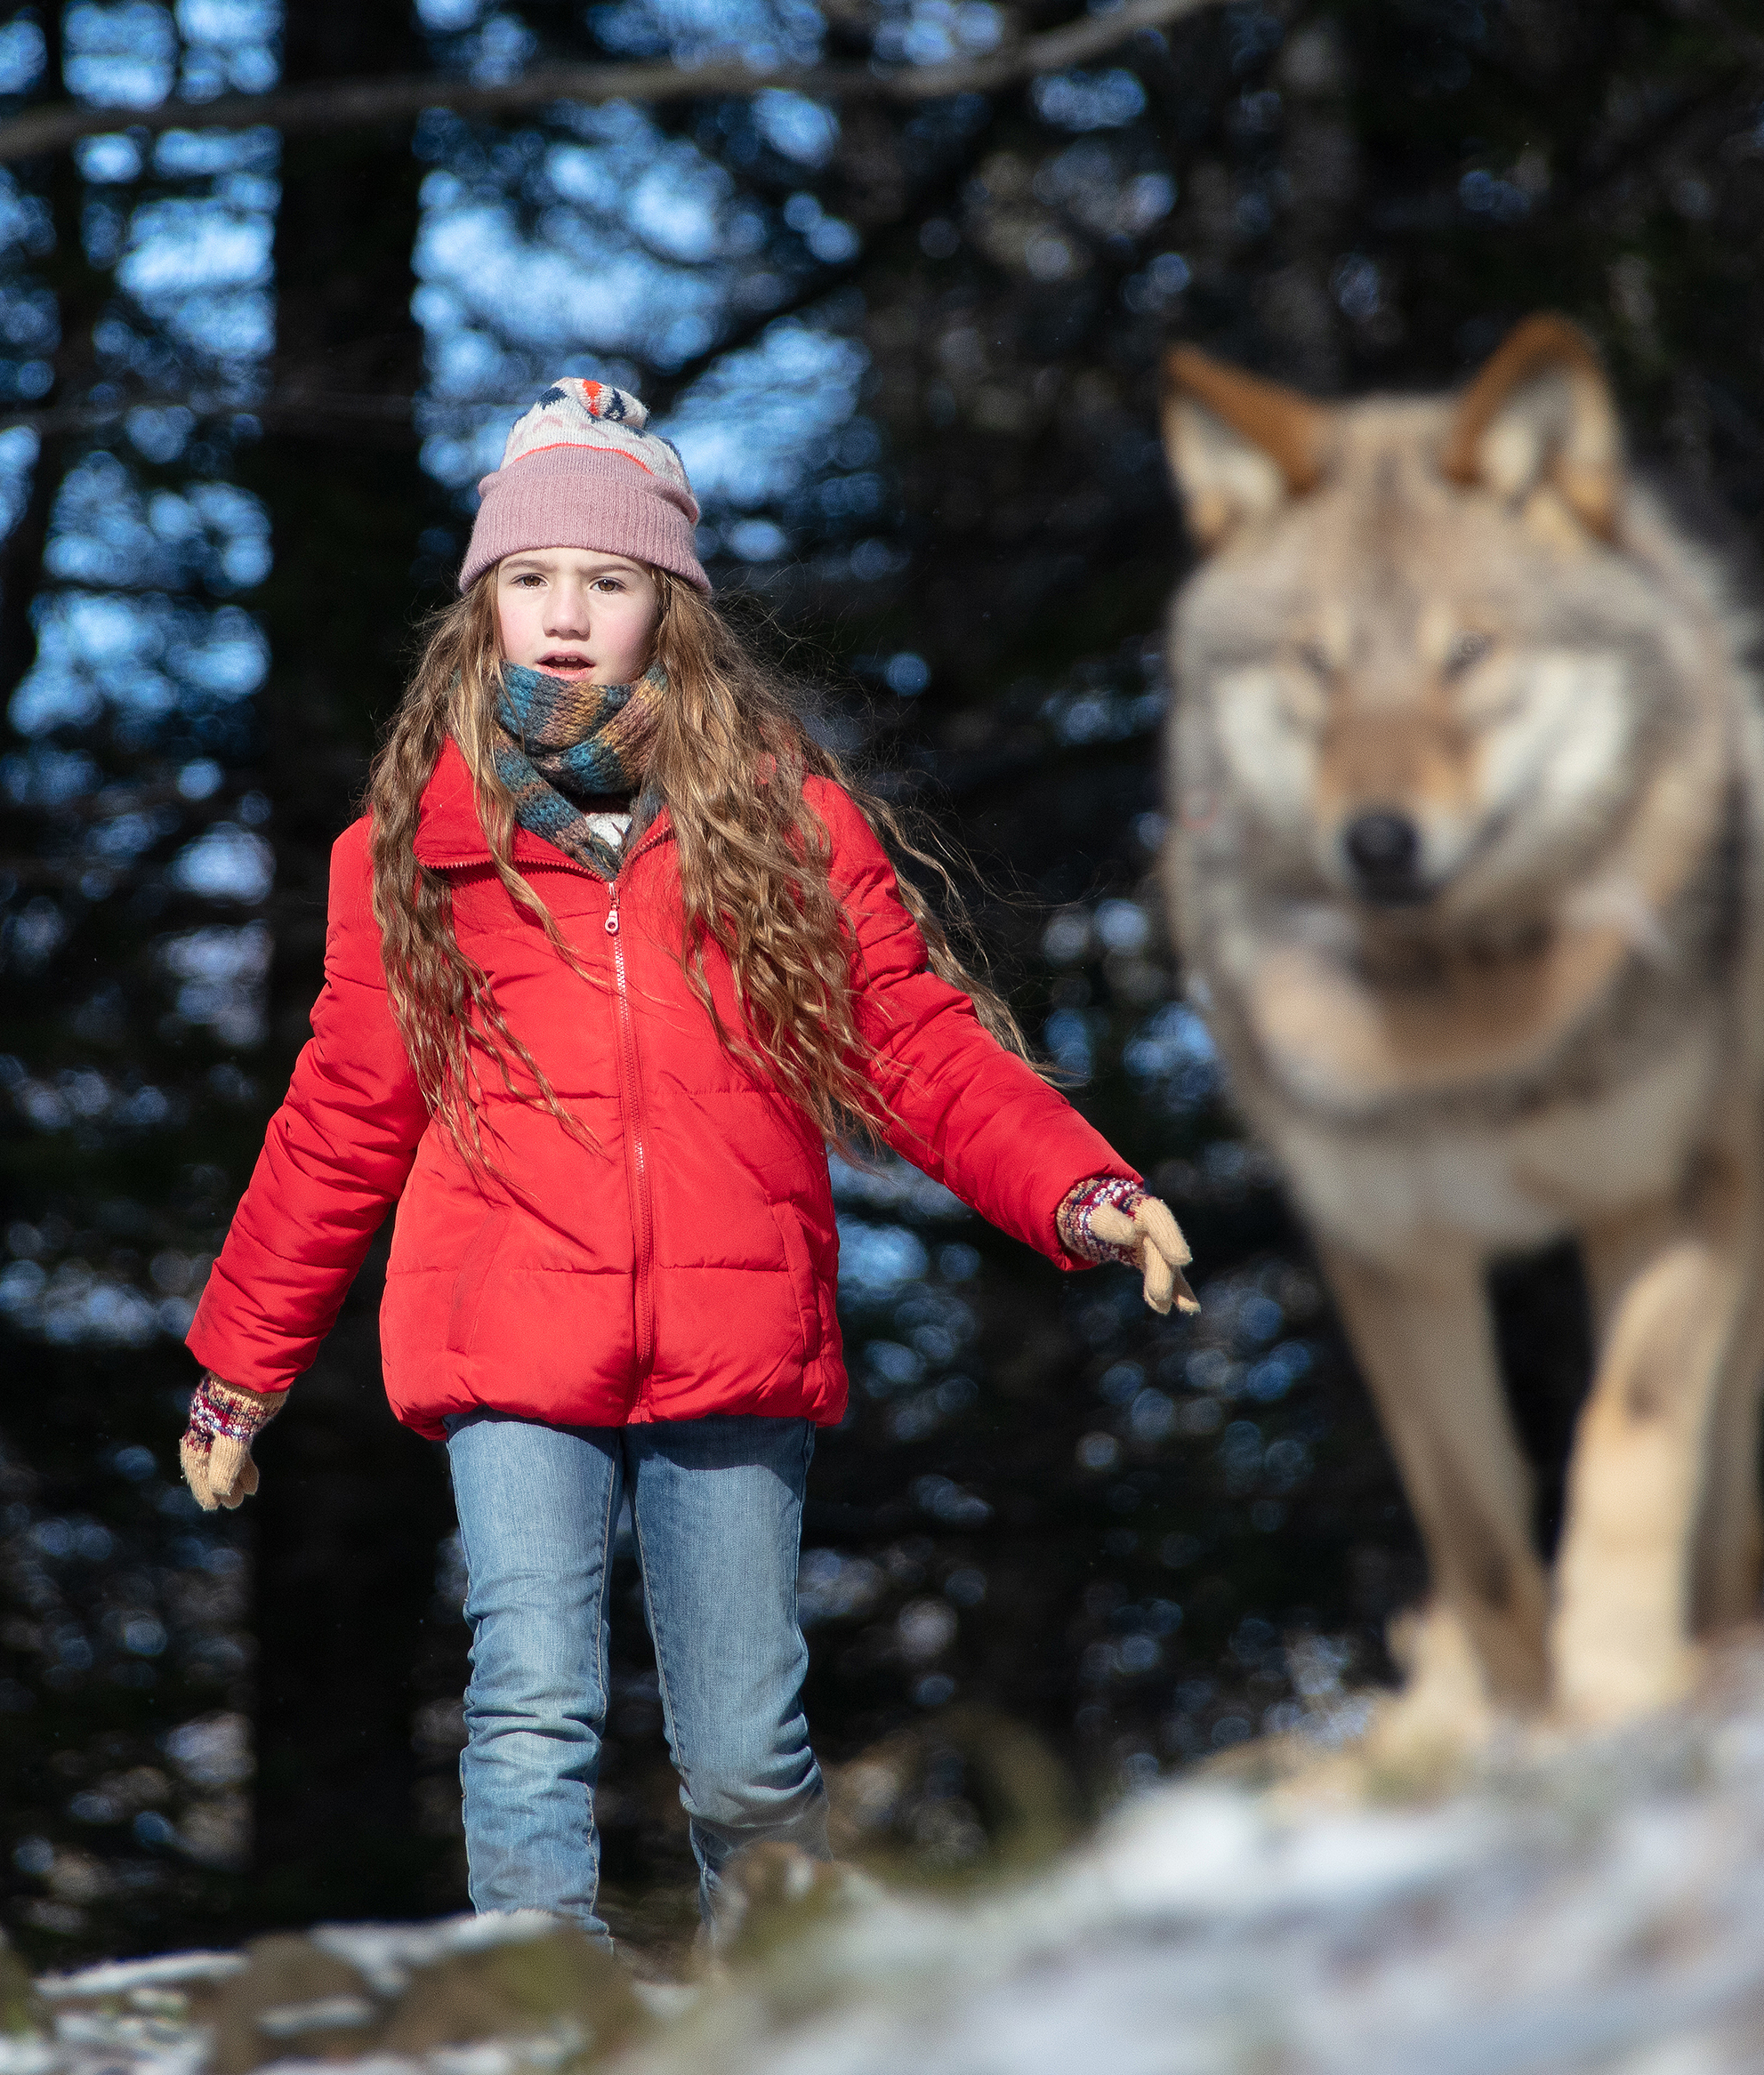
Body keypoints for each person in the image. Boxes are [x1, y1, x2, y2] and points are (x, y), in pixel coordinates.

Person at [172, 377, 1195, 1946]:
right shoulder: (414, 848)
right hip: (509, 1328)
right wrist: (239, 1370)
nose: (566, 616)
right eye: (530, 580)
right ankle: (541, 2016)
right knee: (530, 1704)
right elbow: (339, 1117)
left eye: (608, 581)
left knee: (743, 1747)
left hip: (733, 1333)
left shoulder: (782, 822)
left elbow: (910, 1043)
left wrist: (1084, 1186)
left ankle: (786, 2012)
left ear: (671, 608)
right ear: (483, 605)